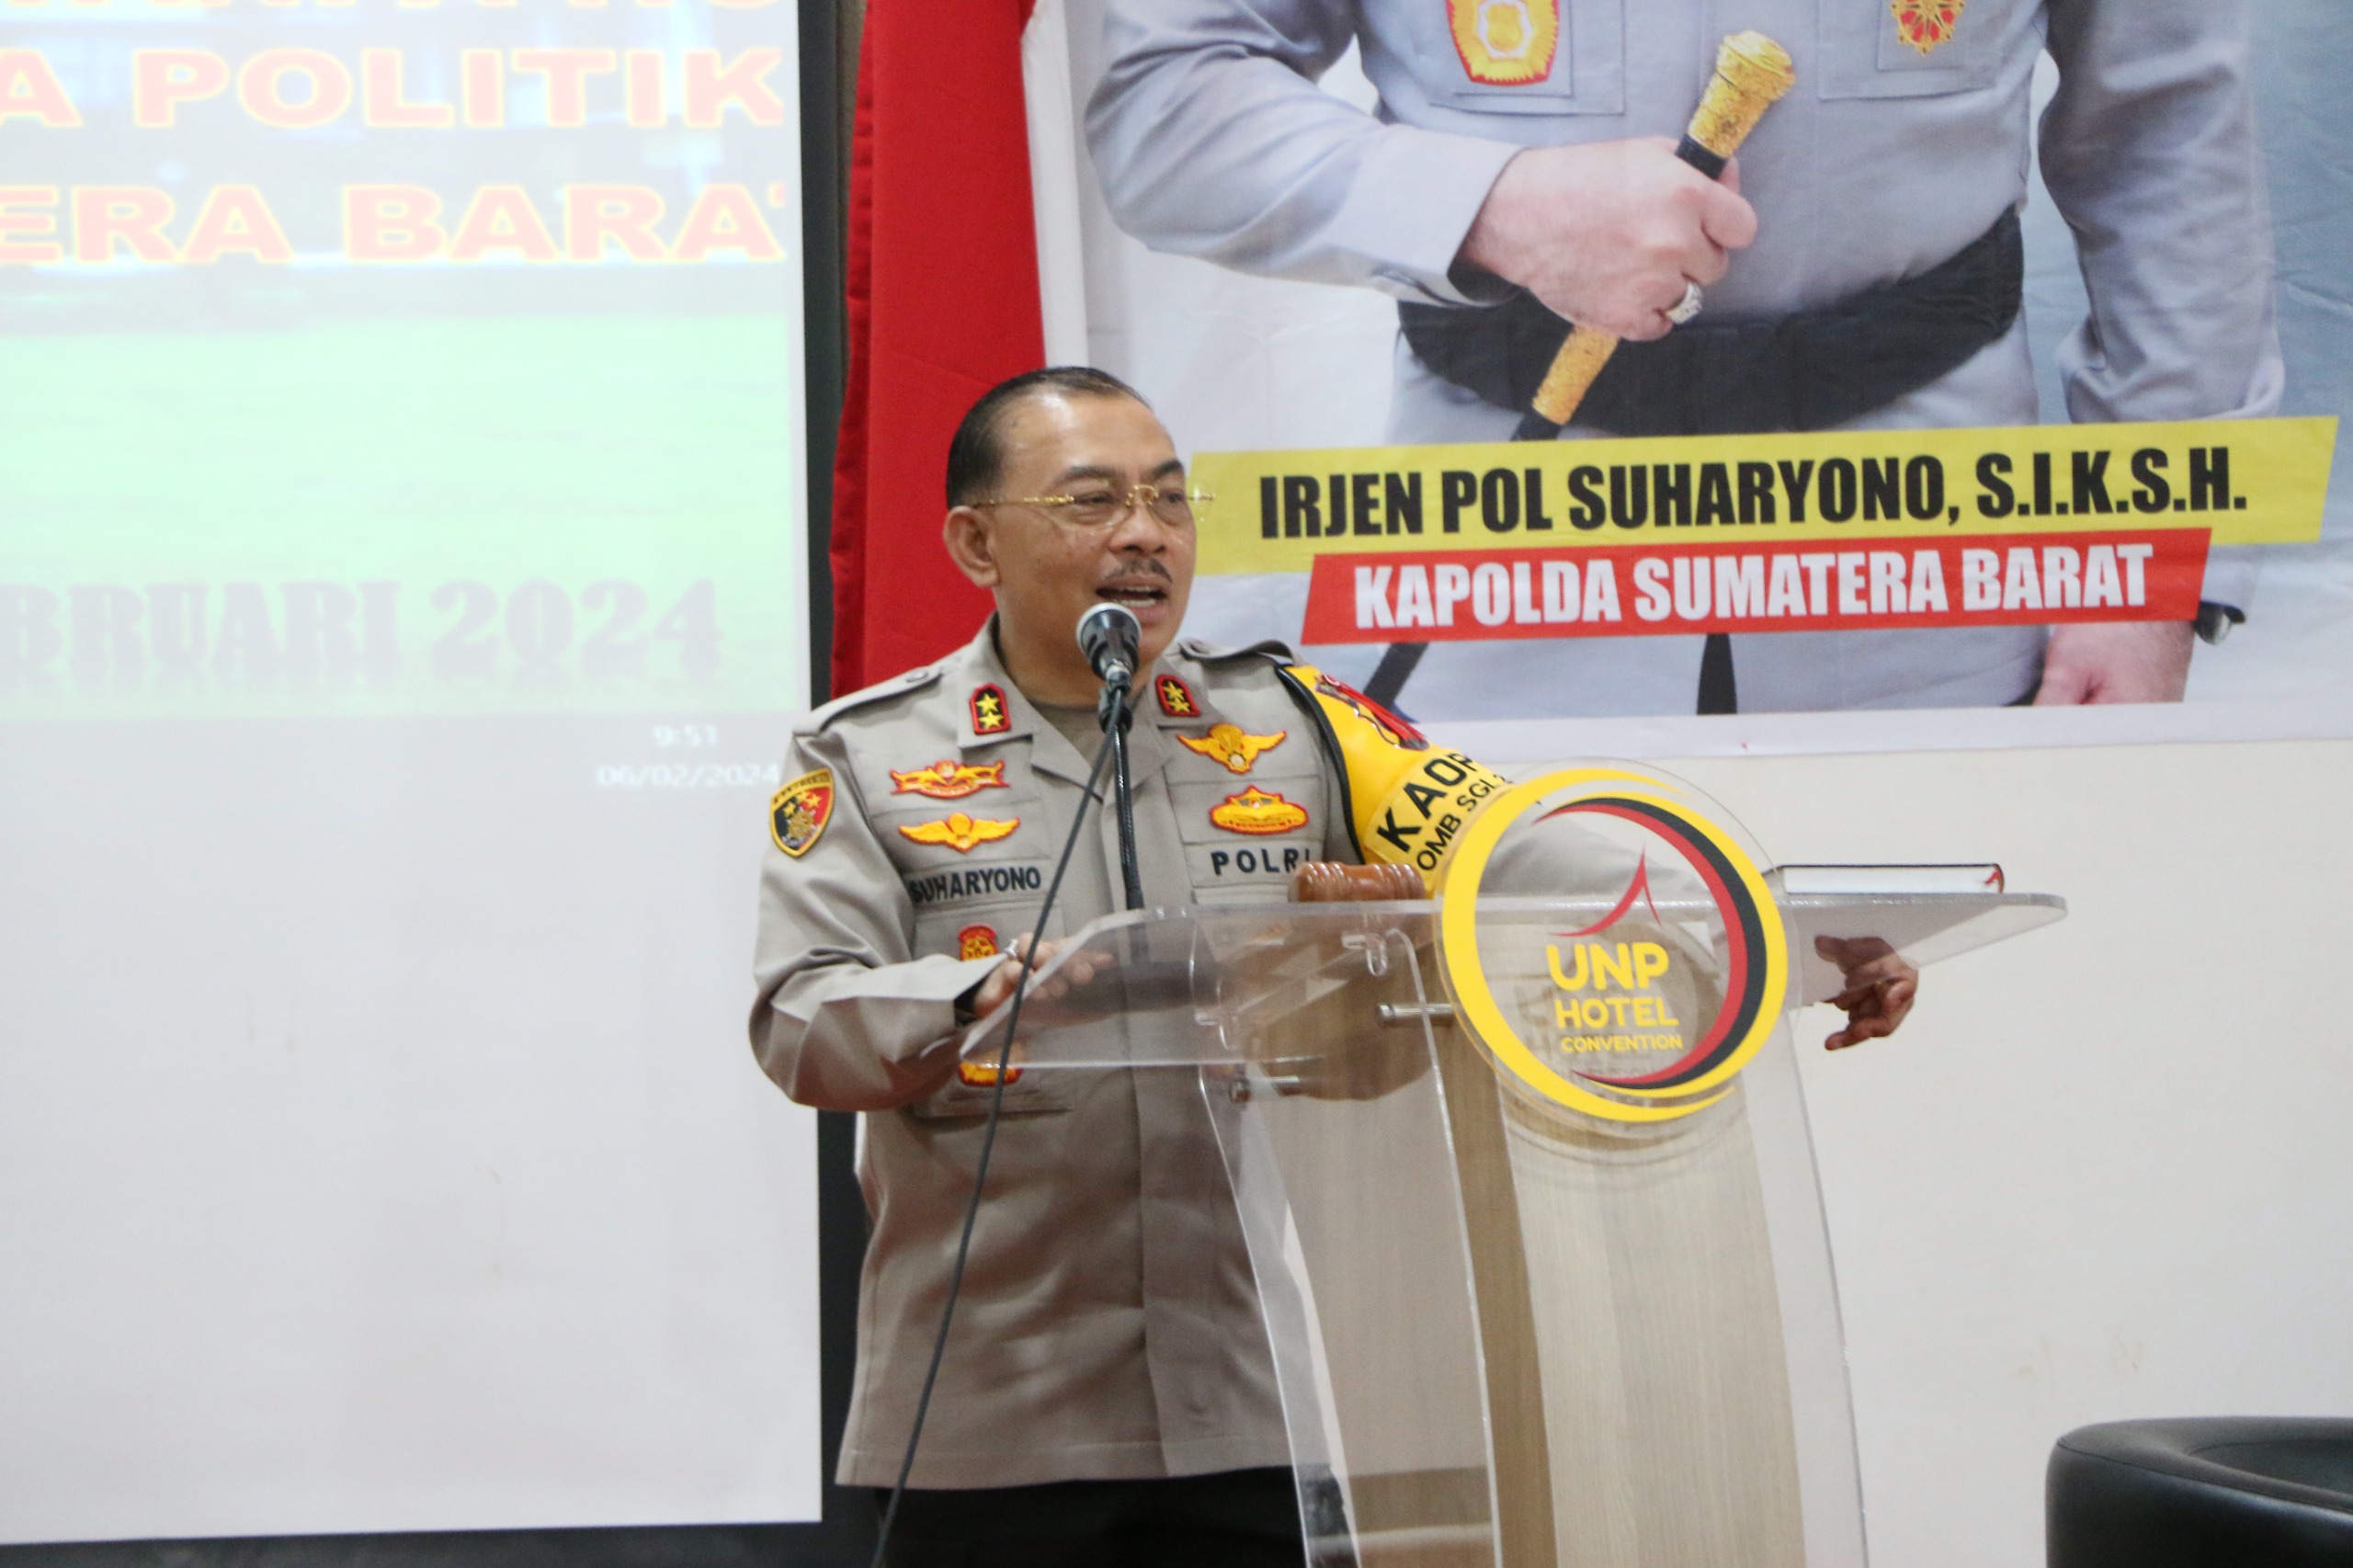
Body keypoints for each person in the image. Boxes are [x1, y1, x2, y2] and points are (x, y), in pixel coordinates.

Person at [747, 367, 1917, 1564]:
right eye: (1092, 501)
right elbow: (798, 1017)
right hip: (987, 1426)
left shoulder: (1295, 725)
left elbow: (1513, 847)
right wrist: (978, 995)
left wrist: (1769, 932)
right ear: (975, 541)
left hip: (1247, 1413)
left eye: (1169, 498)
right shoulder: (865, 757)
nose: (1145, 533)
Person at [1082, 0, 2283, 717]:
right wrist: (1493, 205)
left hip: (1927, 576)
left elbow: (2169, 129)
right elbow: (1164, 103)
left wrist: (2158, 562)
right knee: (1508, 1026)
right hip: (1499, 571)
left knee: (1926, 1027)